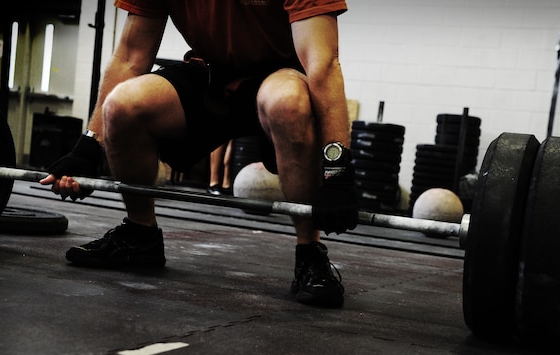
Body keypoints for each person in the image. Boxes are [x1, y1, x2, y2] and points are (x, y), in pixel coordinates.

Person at [40, 0, 358, 308]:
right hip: (208, 74)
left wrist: (336, 170)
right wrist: (88, 146)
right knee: (121, 106)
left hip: (278, 77)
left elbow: (323, 65)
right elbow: (129, 57)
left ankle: (310, 253)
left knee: (288, 103)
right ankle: (140, 236)